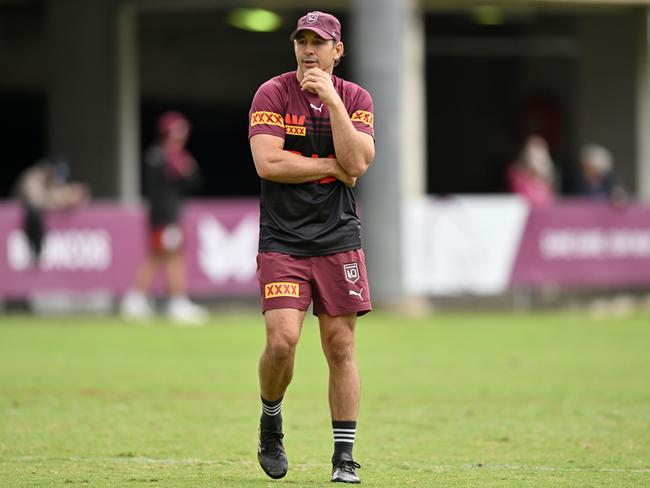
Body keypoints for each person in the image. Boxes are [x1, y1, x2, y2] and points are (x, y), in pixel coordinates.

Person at [248, 11, 375, 484]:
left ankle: (344, 458)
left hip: (338, 237)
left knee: (340, 346)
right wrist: (331, 165)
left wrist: (333, 105)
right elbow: (268, 163)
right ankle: (270, 418)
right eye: (301, 41)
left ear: (337, 51)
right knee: (282, 341)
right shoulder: (272, 93)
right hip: (283, 239)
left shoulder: (356, 98)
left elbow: (359, 161)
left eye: (318, 43)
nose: (308, 51)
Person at [120, 111, 208, 326]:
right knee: (166, 257)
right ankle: (170, 302)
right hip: (163, 218)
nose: (181, 137)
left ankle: (140, 300)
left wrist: (186, 169)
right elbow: (158, 192)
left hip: (172, 216)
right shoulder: (157, 157)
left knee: (163, 256)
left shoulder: (179, 158)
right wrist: (166, 221)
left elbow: (193, 183)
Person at [14, 158, 89, 265]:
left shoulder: (53, 181)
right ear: (48, 169)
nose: (56, 178)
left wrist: (75, 194)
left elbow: (60, 195)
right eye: (54, 173)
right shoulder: (33, 177)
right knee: (34, 214)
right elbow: (37, 201)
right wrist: (63, 202)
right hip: (29, 220)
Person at [506, 134, 555, 206]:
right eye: (533, 155)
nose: (537, 159)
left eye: (540, 157)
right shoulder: (516, 172)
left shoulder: (545, 177)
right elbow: (524, 198)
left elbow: (549, 200)